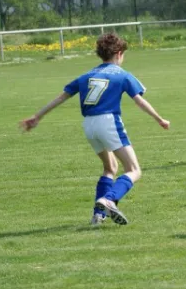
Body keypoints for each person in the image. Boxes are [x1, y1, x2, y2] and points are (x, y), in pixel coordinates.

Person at [20, 33, 170, 226]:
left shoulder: (86, 76)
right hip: (108, 122)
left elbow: (61, 98)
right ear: (118, 53)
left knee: (110, 168)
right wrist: (159, 119)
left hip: (89, 125)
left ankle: (98, 216)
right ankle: (110, 199)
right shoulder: (122, 74)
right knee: (134, 169)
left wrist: (37, 116)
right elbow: (139, 101)